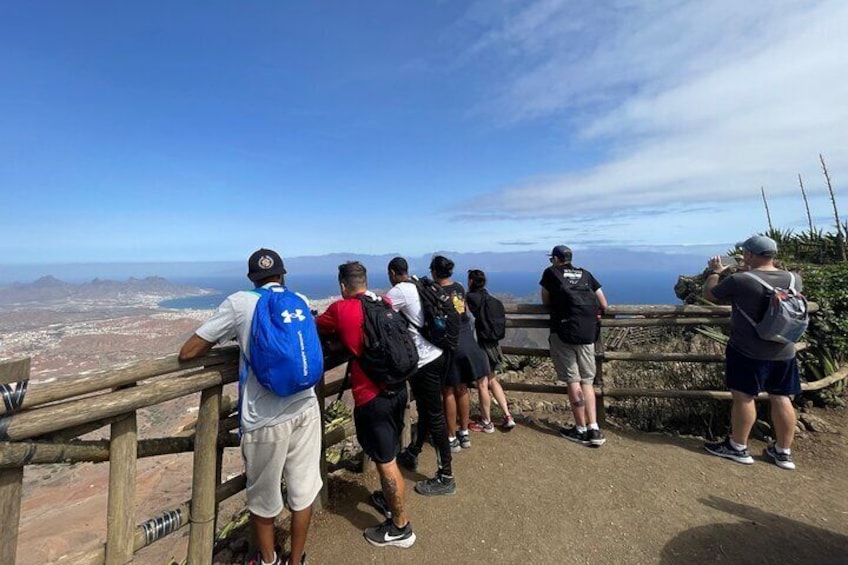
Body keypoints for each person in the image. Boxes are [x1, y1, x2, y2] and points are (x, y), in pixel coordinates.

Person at [179, 248, 320, 565]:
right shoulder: (300, 299)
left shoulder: (239, 302)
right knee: (304, 491)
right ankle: (297, 560)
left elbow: (189, 351)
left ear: (251, 279)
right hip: (306, 407)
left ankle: (269, 561)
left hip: (264, 418)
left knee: (263, 499)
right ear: (283, 275)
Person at [315, 261, 417, 547]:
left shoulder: (340, 308)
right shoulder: (383, 301)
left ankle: (401, 528)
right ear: (366, 281)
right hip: (398, 390)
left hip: (373, 397)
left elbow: (317, 328)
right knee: (390, 453)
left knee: (385, 463)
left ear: (342, 285)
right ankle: (388, 501)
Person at [703, 235, 802, 470]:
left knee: (745, 397)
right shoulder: (794, 278)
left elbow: (710, 295)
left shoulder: (740, 280)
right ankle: (783, 452)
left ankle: (738, 447)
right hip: (784, 349)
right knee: (781, 397)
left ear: (749, 254)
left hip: (747, 350)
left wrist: (715, 271)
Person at [385, 257, 457, 496]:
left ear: (393, 273)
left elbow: (377, 311)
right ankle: (413, 452)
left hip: (425, 361)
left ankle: (446, 476)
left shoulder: (399, 291)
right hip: (439, 352)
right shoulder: (418, 284)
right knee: (427, 410)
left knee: (435, 415)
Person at [540, 245, 608, 447]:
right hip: (588, 333)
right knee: (587, 380)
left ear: (555, 259)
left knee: (573, 379)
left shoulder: (551, 272)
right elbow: (603, 303)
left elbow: (545, 301)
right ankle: (594, 428)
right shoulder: (585, 274)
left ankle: (580, 429)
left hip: (563, 332)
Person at [430, 255, 490, 452]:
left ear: (435, 272)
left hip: (451, 344)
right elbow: (462, 310)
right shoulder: (459, 288)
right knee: (462, 388)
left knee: (448, 391)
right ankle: (464, 433)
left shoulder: (434, 290)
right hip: (467, 341)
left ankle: (450, 437)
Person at [466, 269, 516, 431]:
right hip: (494, 345)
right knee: (493, 380)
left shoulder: (471, 298)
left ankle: (486, 422)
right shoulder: (491, 299)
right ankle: (508, 416)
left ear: (471, 281)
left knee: (482, 383)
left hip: (480, 345)